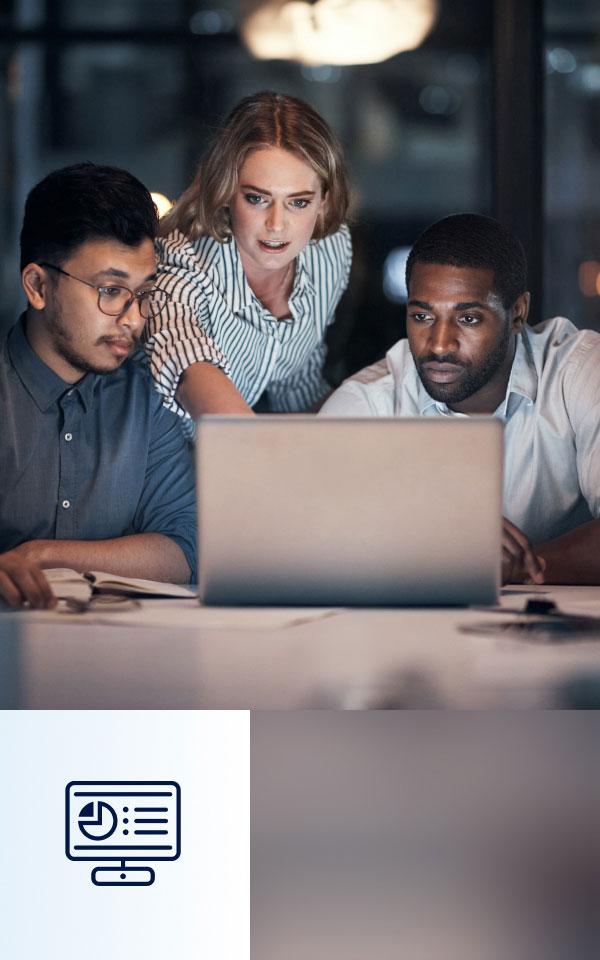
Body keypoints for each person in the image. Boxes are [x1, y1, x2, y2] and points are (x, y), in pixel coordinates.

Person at [321, 213, 600, 585]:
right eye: (422, 316)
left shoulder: (579, 372)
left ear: (517, 313)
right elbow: (308, 543)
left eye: (468, 319)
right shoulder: (368, 404)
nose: (438, 344)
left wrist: (517, 567)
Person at [0, 163, 197, 609]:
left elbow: (186, 546)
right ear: (37, 286)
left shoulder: (147, 396)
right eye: (111, 290)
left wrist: (41, 556)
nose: (134, 317)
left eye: (144, 292)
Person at [145, 90, 351, 428]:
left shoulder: (329, 250)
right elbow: (185, 361)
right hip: (156, 458)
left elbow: (296, 384)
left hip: (245, 451)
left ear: (324, 201)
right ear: (227, 192)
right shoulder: (182, 264)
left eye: (298, 202)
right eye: (257, 198)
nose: (277, 224)